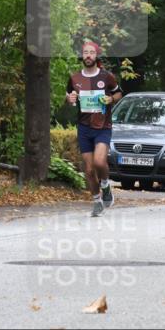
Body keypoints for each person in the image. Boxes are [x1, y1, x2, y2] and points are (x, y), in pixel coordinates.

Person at [66, 40, 123, 217]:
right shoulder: (75, 78)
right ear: (82, 56)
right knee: (89, 169)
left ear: (96, 55)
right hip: (84, 127)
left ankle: (105, 185)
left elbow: (119, 92)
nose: (88, 55)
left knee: (99, 162)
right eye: (85, 53)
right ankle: (97, 200)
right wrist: (70, 99)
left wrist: (111, 99)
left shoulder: (106, 76)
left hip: (102, 126)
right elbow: (69, 96)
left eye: (91, 52)